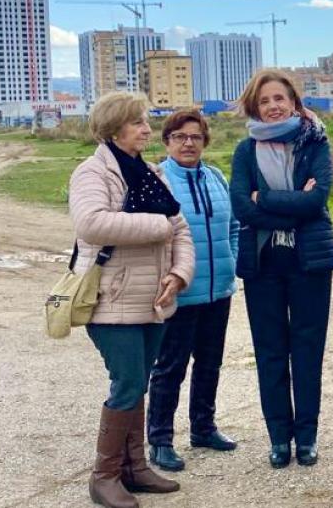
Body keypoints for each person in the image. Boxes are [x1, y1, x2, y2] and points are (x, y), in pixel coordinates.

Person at [69, 91, 195, 508]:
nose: (146, 129)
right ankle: (103, 475)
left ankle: (134, 467)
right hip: (112, 298)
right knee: (126, 383)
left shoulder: (150, 173)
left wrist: (179, 274)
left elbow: (180, 229)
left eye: (145, 121)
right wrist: (157, 226)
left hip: (153, 299)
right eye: (138, 122)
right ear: (113, 128)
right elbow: (91, 223)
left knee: (138, 382)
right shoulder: (93, 173)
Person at [229, 69, 333, 469]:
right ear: (255, 107)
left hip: (309, 262)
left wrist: (267, 202)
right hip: (264, 265)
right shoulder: (245, 151)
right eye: (265, 101)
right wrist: (289, 206)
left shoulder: (315, 143)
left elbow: (317, 203)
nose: (274, 106)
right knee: (271, 352)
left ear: (294, 102)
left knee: (308, 351)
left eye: (280, 98)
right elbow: (243, 206)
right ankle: (279, 438)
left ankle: (307, 438)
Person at [146, 109, 240, 472]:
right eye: (180, 136)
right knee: (170, 367)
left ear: (205, 141)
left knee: (210, 363)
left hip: (219, 290)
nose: (188, 143)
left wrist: (231, 260)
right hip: (179, 292)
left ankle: (203, 427)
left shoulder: (216, 176)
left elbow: (234, 225)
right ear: (167, 141)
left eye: (196, 137)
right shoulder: (157, 178)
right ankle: (160, 440)